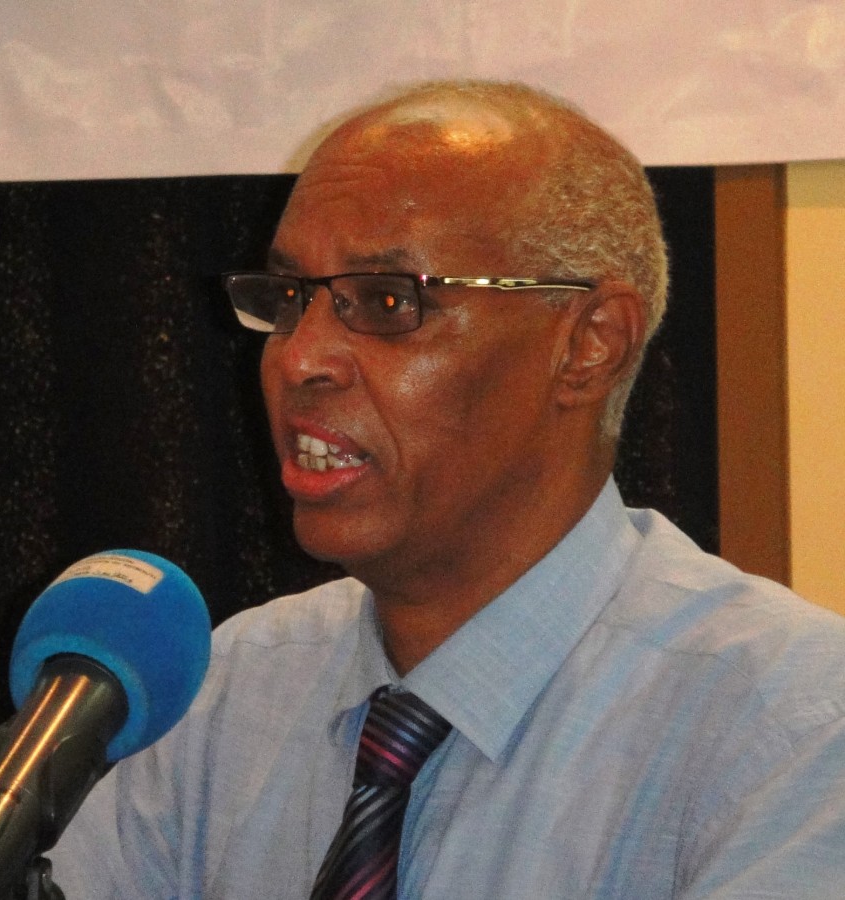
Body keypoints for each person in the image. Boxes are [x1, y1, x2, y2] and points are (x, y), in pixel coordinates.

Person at [49, 80, 845, 898]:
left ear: (590, 345)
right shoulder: (221, 693)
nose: (298, 358)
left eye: (387, 302)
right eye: (288, 299)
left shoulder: (794, 729)